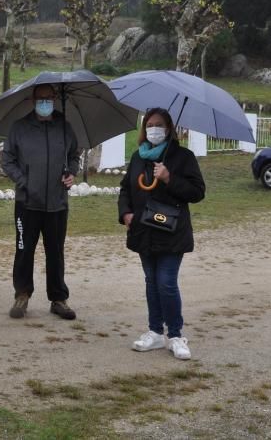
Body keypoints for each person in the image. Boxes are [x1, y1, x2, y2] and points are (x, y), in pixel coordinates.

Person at [117, 108, 205, 361]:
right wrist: (125, 213)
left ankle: (176, 335)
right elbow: (125, 189)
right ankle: (155, 332)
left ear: (169, 128)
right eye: (150, 124)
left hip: (171, 231)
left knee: (166, 282)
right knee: (151, 282)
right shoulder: (138, 157)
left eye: (160, 125)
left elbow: (197, 192)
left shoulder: (182, 157)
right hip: (143, 230)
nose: (154, 129)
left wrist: (169, 178)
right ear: (144, 129)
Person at [1, 83, 80, 320]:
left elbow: (75, 155)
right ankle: (22, 294)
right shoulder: (19, 128)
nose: (44, 102)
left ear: (55, 99)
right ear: (33, 100)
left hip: (57, 203)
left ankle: (58, 299)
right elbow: (8, 159)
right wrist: (24, 181)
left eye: (49, 98)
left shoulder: (65, 128)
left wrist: (71, 172)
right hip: (27, 203)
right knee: (24, 250)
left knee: (55, 252)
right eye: (40, 98)